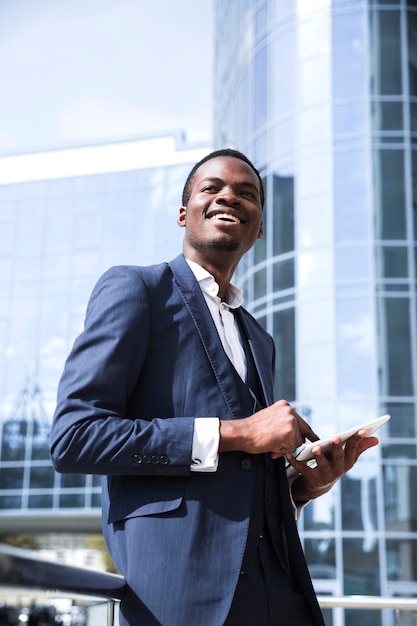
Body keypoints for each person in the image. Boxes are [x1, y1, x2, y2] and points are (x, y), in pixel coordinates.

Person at [50, 149, 378, 626]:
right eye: (213, 188)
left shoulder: (259, 338)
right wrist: (237, 433)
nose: (230, 196)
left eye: (247, 194)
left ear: (259, 226)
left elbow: (243, 477)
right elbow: (74, 438)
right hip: (181, 595)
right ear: (184, 214)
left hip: (282, 593)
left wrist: (303, 487)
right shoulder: (136, 289)